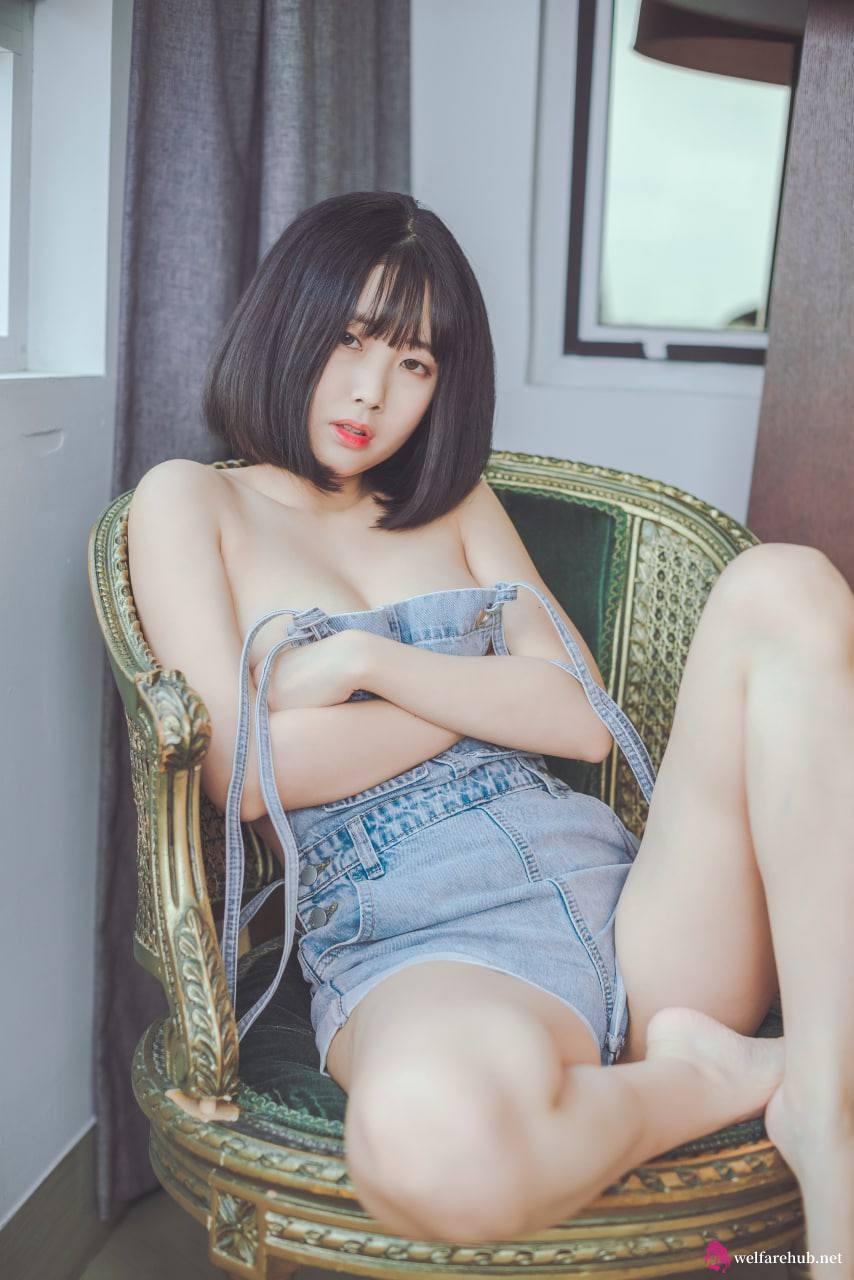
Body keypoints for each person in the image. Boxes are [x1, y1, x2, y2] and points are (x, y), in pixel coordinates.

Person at [127, 190, 854, 1263]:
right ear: (286, 321)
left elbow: (581, 720)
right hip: (418, 930)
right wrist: (481, 686)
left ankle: (826, 1115)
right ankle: (709, 1077)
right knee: (433, 1154)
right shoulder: (193, 502)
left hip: (628, 900)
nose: (372, 391)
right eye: (351, 338)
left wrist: (369, 665)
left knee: (785, 582)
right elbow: (242, 768)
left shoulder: (452, 502)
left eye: (415, 362)